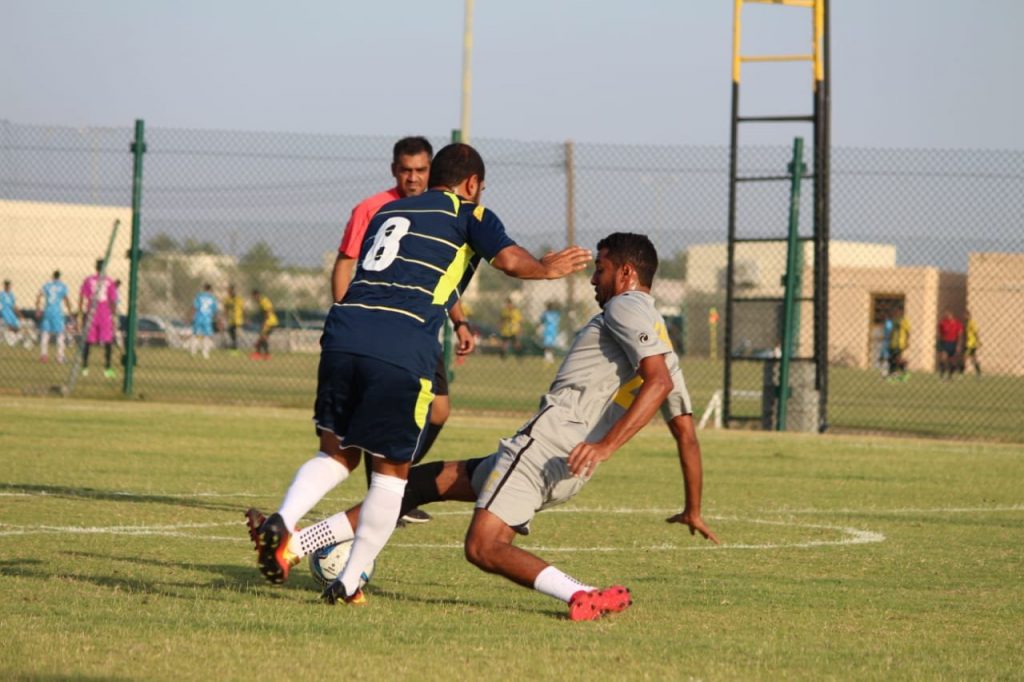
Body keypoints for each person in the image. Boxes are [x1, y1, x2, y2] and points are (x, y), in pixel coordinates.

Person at [247, 232, 717, 621]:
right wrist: (693, 508)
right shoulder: (664, 348)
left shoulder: (626, 306)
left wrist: (605, 446)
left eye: (601, 268)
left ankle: (582, 594)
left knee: (483, 546)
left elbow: (655, 383)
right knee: (416, 484)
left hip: (543, 449)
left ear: (627, 273)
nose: (594, 279)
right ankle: (294, 546)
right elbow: (687, 433)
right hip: (561, 463)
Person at [252, 142, 592, 606]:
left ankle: (284, 519)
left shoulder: (388, 212)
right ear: (472, 183)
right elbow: (510, 261)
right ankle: (347, 583)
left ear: (432, 177)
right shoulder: (470, 213)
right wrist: (547, 270)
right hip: (401, 342)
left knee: (336, 454)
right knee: (392, 478)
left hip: (344, 332)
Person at [333, 136, 473, 525]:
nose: (413, 178)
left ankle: (394, 488)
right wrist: (344, 315)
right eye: (406, 170)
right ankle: (385, 497)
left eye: (420, 170)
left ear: (432, 171)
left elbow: (442, 277)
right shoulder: (372, 208)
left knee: (439, 411)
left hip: (420, 331)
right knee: (382, 411)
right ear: (394, 170)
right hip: (377, 329)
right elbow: (345, 263)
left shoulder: (441, 211)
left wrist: (460, 320)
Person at [78, 259, 118, 379]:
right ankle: (107, 368)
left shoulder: (89, 280)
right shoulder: (109, 281)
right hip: (104, 312)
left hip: (92, 311)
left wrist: (80, 312)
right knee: (107, 341)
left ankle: (85, 367)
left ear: (96, 267)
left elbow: (82, 296)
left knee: (88, 341)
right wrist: (114, 315)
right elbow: (112, 300)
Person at [36, 270, 74, 363]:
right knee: (60, 334)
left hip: (47, 311)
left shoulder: (47, 285)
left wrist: (38, 309)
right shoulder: (62, 286)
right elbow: (66, 299)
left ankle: (44, 355)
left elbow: (39, 296)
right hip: (57, 312)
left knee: (45, 333)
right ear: (59, 277)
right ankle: (60, 356)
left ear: (52, 276)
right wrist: (70, 312)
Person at [190, 283, 218, 359]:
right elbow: (214, 309)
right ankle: (205, 353)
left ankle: (193, 352)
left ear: (204, 288)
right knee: (207, 336)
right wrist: (216, 319)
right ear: (210, 289)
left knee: (196, 335)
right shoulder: (212, 298)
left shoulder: (199, 296)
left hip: (198, 317)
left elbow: (195, 306)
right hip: (207, 319)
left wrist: (191, 316)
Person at [1, 279, 32, 349]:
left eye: (9, 286)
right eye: (7, 285)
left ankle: (18, 341)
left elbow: (14, 306)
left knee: (18, 327)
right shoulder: (1, 295)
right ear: (4, 286)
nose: (8, 287)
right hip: (5, 312)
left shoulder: (11, 295)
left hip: (11, 313)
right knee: (10, 327)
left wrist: (20, 314)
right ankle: (11, 341)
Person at [250, 289, 278, 360]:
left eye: (253, 297)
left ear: (257, 295)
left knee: (262, 337)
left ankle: (261, 354)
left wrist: (264, 323)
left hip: (270, 322)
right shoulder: (260, 302)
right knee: (263, 337)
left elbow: (267, 312)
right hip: (269, 322)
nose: (253, 299)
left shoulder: (264, 301)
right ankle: (262, 354)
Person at [936, 309, 963, 380]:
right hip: (945, 343)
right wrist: (939, 343)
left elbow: (960, 335)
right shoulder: (943, 323)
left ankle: (950, 375)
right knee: (943, 358)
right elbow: (940, 333)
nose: (947, 316)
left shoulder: (957, 323)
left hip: (953, 343)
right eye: (946, 314)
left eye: (948, 314)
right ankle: (942, 374)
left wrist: (958, 345)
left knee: (952, 361)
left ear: (952, 315)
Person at [888, 306, 910, 381]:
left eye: (897, 311)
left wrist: (906, 342)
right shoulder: (894, 320)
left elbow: (907, 332)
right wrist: (890, 339)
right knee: (892, 359)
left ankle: (904, 371)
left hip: (900, 343)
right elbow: (892, 331)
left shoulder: (904, 321)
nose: (896, 312)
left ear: (901, 312)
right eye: (895, 311)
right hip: (893, 343)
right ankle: (895, 374)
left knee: (897, 358)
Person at [222, 284, 245, 355]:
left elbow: (243, 309)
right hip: (231, 319)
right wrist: (224, 317)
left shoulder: (238, 299)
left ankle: (235, 348)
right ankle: (234, 348)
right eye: (228, 291)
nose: (229, 292)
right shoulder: (227, 299)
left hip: (238, 319)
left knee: (236, 334)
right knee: (231, 333)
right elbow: (225, 309)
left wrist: (245, 317)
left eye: (230, 290)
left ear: (233, 290)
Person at [961, 309, 981, 376]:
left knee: (965, 356)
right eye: (964, 315)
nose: (964, 316)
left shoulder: (972, 323)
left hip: (971, 343)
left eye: (965, 315)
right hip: (968, 342)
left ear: (968, 315)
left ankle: (962, 371)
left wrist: (978, 341)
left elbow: (975, 332)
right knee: (973, 358)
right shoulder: (966, 323)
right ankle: (978, 372)